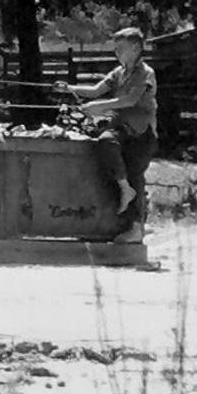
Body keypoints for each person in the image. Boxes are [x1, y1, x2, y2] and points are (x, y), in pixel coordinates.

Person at [53, 27, 158, 244]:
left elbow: (130, 100)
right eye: (115, 48)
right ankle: (124, 197)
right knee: (107, 144)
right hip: (122, 129)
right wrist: (69, 88)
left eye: (121, 48)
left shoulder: (145, 73)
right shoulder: (118, 73)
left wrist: (100, 107)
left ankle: (135, 227)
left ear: (136, 48)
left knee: (135, 175)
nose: (116, 52)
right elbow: (96, 90)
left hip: (141, 134)